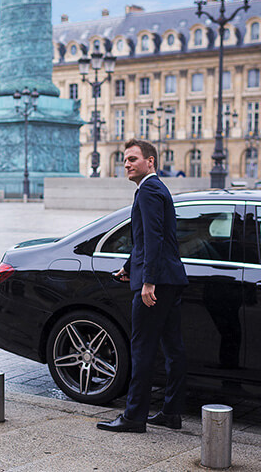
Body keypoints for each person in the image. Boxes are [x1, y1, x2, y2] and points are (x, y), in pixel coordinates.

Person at [97, 138, 188, 434]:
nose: (126, 163)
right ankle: (172, 413)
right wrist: (128, 266)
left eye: (133, 159)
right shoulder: (157, 188)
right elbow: (146, 239)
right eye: (125, 159)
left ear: (150, 162)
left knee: (142, 349)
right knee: (174, 349)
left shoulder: (148, 190)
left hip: (156, 283)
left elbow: (153, 239)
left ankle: (134, 417)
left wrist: (147, 281)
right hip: (170, 279)